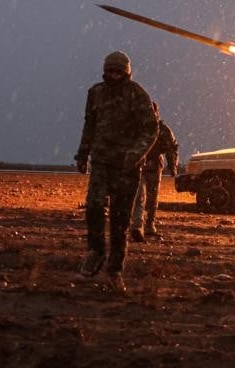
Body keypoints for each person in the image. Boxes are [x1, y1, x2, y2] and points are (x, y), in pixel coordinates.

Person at [75, 50, 158, 293]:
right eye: (110, 71)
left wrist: (134, 154)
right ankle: (96, 251)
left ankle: (115, 270)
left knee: (121, 222)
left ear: (126, 72)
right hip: (101, 162)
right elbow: (89, 124)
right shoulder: (96, 93)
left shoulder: (137, 94)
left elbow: (150, 129)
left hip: (127, 168)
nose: (113, 75)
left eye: (118, 71)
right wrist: (83, 154)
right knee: (93, 206)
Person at [130, 102, 179, 242]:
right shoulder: (138, 128)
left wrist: (173, 166)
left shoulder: (163, 130)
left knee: (152, 199)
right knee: (139, 197)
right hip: (139, 166)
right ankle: (137, 226)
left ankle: (150, 225)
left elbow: (172, 148)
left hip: (154, 167)